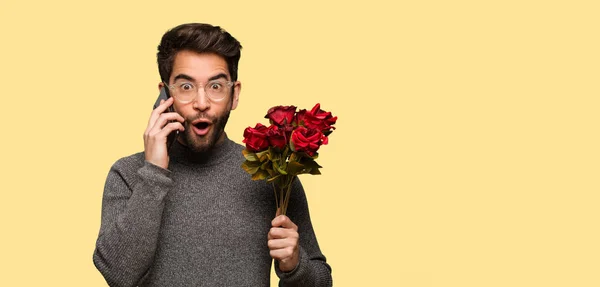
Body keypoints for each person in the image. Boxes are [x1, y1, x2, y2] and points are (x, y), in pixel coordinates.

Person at [92, 23, 332, 286]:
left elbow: (322, 281)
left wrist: (295, 265)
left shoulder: (273, 174)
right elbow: (118, 276)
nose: (202, 103)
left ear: (234, 94)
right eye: (186, 87)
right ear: (163, 94)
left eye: (216, 86)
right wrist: (153, 172)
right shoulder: (128, 174)